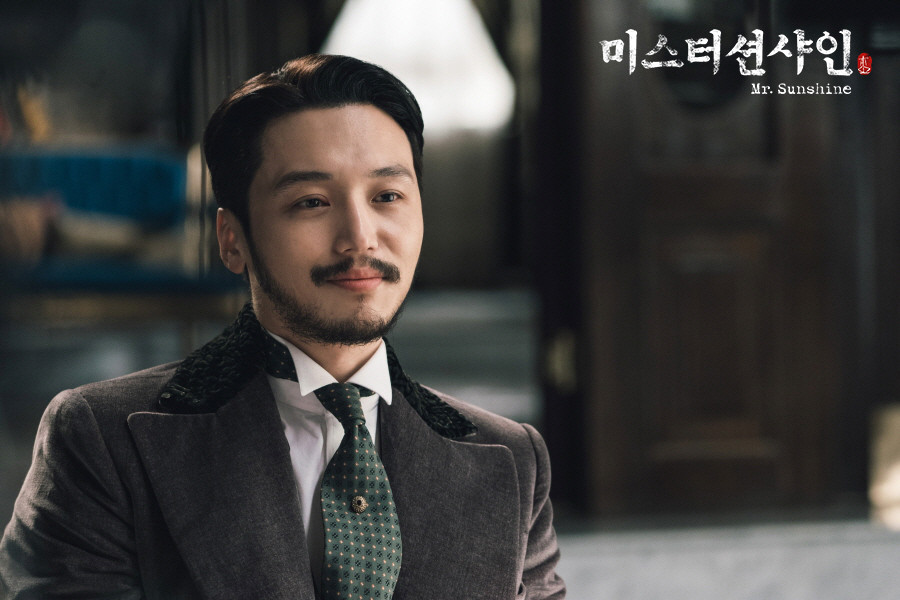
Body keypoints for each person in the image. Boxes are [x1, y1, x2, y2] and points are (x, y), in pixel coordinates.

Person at [0, 54, 565, 599]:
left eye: (388, 196)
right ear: (232, 240)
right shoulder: (101, 438)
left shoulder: (512, 458)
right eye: (312, 202)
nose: (360, 237)